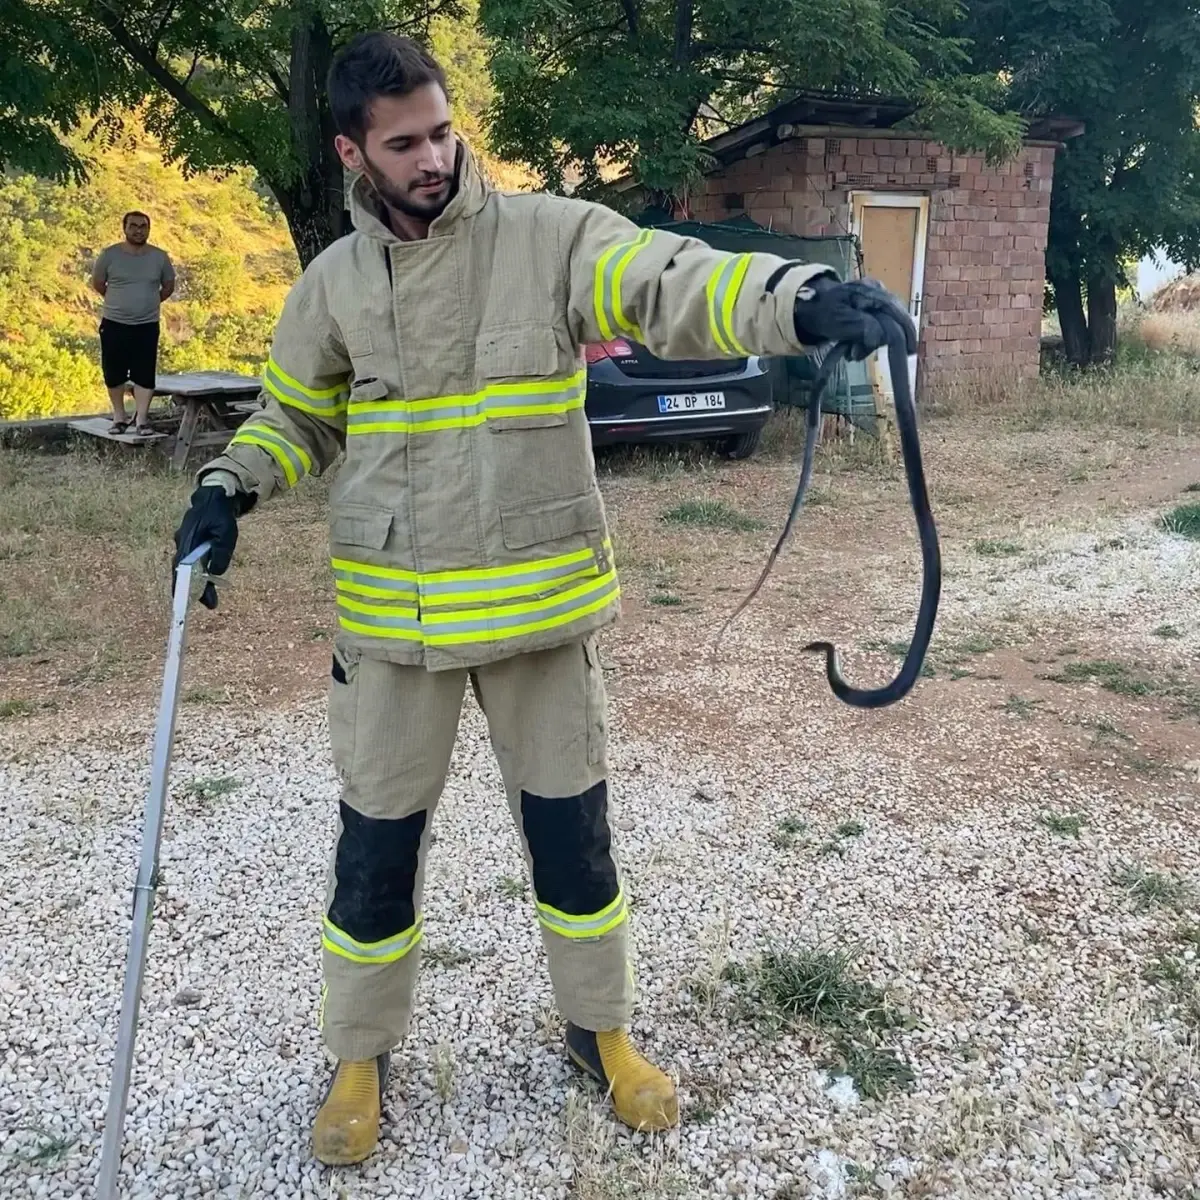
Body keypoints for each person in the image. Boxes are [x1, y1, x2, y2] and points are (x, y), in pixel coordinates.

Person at [170, 31, 915, 1167]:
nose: (433, 158)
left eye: (442, 131)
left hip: (537, 619)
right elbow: (295, 416)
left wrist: (801, 298)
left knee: (576, 848)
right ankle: (362, 1054)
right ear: (352, 151)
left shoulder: (550, 238)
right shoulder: (329, 286)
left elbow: (671, 280)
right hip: (393, 632)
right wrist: (230, 484)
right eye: (403, 143)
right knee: (373, 854)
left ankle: (599, 1035)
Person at [90, 211, 176, 436]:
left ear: (149, 229)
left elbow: (168, 285)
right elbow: (98, 283)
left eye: (143, 226)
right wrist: (120, 301)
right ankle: (119, 417)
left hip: (147, 325)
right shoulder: (109, 255)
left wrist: (149, 301)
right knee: (113, 371)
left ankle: (142, 421)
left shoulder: (159, 257)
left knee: (144, 372)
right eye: (134, 226)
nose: (138, 230)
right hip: (114, 323)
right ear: (124, 228)